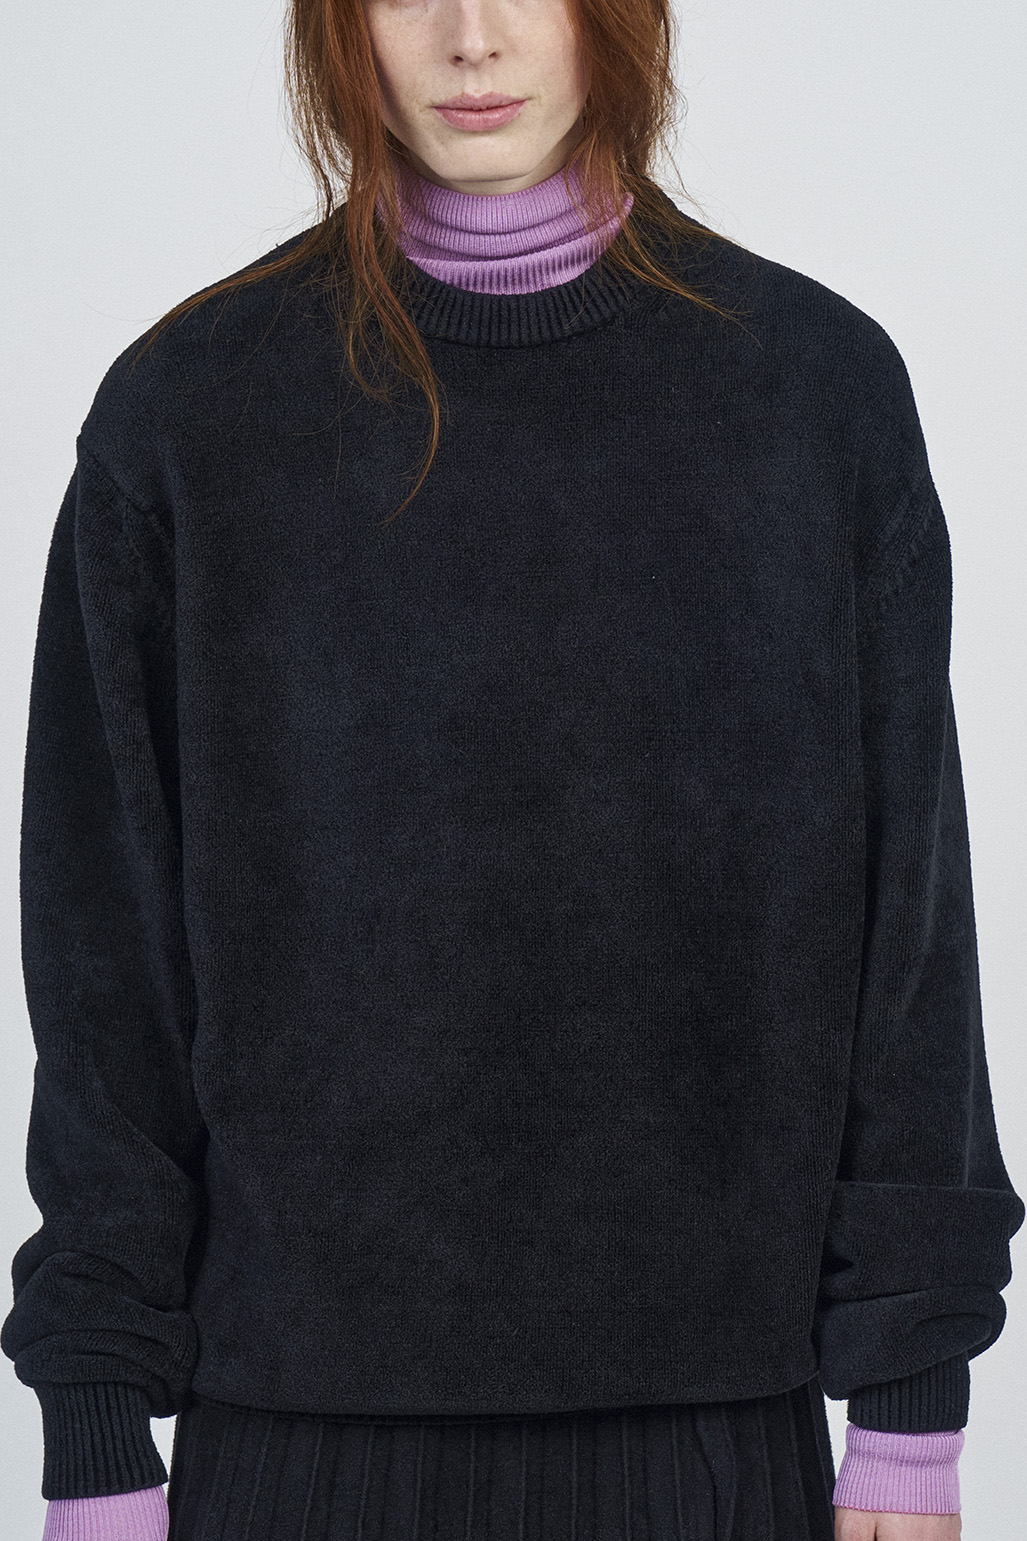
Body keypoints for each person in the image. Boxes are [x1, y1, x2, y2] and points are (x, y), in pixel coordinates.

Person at [2, 1, 1023, 1538]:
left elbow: (912, 934)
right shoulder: (188, 417)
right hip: (293, 1445)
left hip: (708, 1438)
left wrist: (910, 1410)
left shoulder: (814, 394)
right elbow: (102, 962)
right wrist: (93, 1426)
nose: (470, 38)